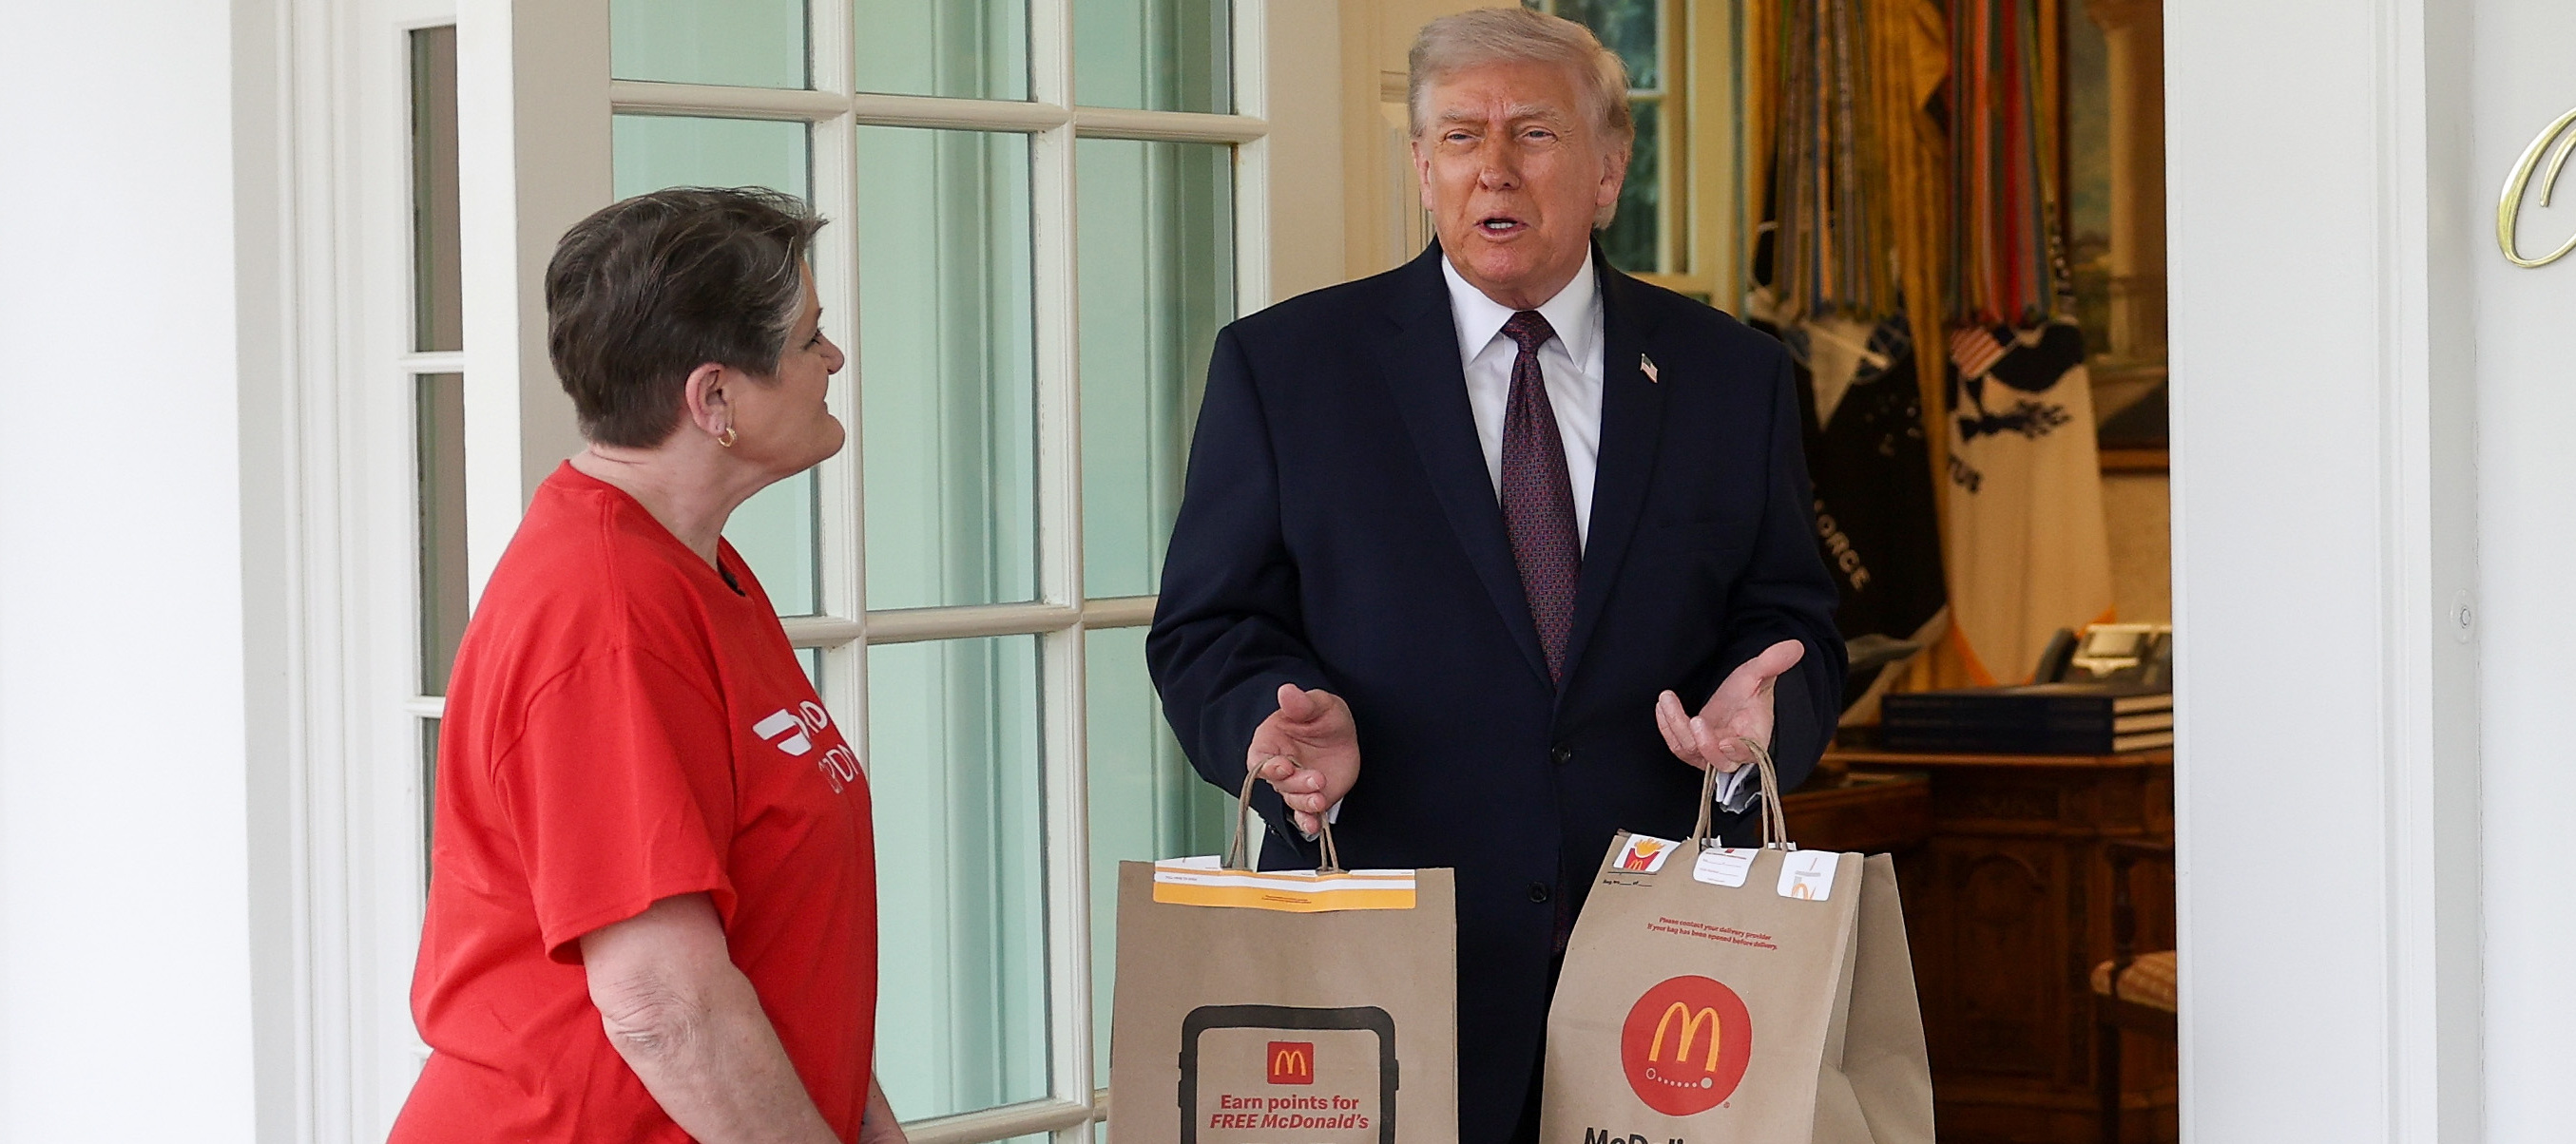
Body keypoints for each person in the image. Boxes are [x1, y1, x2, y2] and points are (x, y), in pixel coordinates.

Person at [1144, 9, 1844, 1142]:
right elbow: (1208, 626)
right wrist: (1272, 730)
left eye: (1535, 133)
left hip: (1666, 992)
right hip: (1385, 984)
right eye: (1461, 137)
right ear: (1423, 169)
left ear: (1609, 170)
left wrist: (1759, 722)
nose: (1494, 168)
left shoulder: (1733, 374)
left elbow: (1789, 612)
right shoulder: (1287, 368)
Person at [391, 187, 902, 1144]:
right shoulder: (605, 615)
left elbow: (776, 943)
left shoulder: (693, 565)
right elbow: (662, 1007)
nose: (833, 359)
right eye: (808, 339)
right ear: (714, 399)